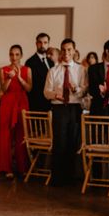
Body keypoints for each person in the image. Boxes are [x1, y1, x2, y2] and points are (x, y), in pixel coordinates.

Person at [44, 38, 87, 185]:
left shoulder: (81, 70)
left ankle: (72, 177)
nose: (66, 52)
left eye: (69, 49)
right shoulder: (53, 71)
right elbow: (46, 92)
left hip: (75, 107)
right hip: (59, 108)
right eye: (63, 50)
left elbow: (85, 89)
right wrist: (56, 94)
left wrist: (77, 90)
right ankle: (58, 177)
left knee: (73, 141)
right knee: (59, 142)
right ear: (60, 51)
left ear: (74, 51)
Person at [0, 44, 31, 179]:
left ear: (21, 55)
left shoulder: (27, 69)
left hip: (22, 101)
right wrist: (10, 78)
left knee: (22, 134)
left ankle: (22, 167)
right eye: (12, 54)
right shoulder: (3, 70)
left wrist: (19, 77)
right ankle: (6, 168)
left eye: (17, 54)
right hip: (7, 102)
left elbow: (29, 88)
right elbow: (4, 90)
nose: (14, 57)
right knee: (5, 135)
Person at [26, 33, 54, 112]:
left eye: (45, 42)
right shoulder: (30, 62)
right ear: (36, 44)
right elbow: (31, 86)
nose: (42, 45)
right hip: (36, 104)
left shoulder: (51, 62)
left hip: (50, 103)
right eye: (40, 42)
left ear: (48, 44)